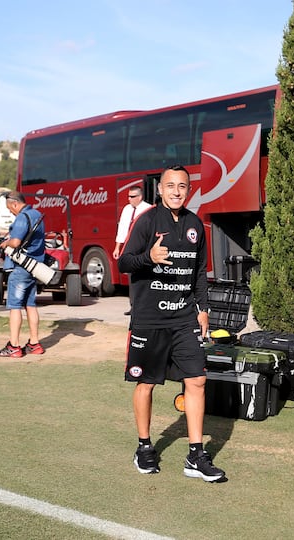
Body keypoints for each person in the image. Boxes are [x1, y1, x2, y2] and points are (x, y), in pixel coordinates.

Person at [118, 165, 226, 483]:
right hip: (149, 320)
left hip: (183, 319)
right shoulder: (147, 220)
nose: (176, 191)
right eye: (170, 186)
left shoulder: (195, 224)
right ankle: (144, 447)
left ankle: (195, 455)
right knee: (147, 384)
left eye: (182, 186)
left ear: (189, 190)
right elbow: (124, 262)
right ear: (161, 190)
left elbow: (199, 271)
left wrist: (203, 308)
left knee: (196, 382)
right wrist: (148, 257)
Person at [0, 191, 45, 358]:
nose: (10, 212)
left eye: (10, 209)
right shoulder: (37, 214)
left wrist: (5, 243)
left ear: (15, 204)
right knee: (30, 304)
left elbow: (15, 242)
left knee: (14, 306)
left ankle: (14, 346)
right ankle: (34, 343)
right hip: (35, 266)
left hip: (21, 267)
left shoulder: (22, 217)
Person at [113, 185, 151, 315]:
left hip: (143, 247)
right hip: (130, 247)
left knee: (145, 276)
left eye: (132, 196)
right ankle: (133, 306)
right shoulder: (127, 209)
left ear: (140, 197)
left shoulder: (148, 209)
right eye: (128, 196)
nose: (129, 199)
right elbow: (122, 229)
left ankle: (144, 306)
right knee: (131, 277)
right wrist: (118, 247)